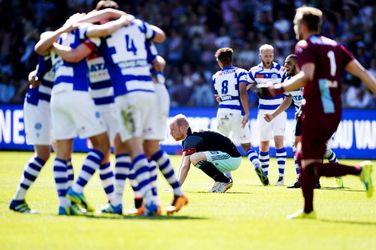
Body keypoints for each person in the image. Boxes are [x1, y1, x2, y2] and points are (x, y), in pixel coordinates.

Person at [256, 6, 375, 219]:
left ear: (302, 26)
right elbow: (363, 72)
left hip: (317, 109)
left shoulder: (305, 45)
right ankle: (309, 209)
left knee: (306, 164)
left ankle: (358, 171)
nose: (294, 27)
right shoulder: (335, 46)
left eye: (294, 24)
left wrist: (277, 88)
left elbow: (307, 75)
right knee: (306, 161)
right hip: (333, 109)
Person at [33, 13, 123, 215]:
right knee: (101, 145)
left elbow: (39, 48)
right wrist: (124, 20)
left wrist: (60, 35)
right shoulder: (84, 32)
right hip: (77, 93)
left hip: (57, 96)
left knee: (62, 155)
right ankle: (77, 189)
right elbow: (101, 32)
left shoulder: (56, 37)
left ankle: (64, 205)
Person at [263, 54, 343, 189]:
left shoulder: (309, 77)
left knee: (323, 150)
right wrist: (273, 115)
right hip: (302, 115)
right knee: (297, 145)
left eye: (288, 63)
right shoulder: (287, 79)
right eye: (285, 62)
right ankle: (302, 178)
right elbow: (287, 100)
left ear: (297, 65)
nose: (285, 65)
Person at [9, 56, 63, 213]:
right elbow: (41, 43)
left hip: (54, 105)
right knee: (42, 155)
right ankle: (18, 199)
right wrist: (67, 29)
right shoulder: (56, 43)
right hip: (39, 103)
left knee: (63, 154)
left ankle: (66, 203)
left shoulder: (71, 49)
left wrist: (35, 74)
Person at [212, 47, 268, 186]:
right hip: (237, 111)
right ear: (231, 59)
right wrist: (247, 112)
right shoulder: (241, 72)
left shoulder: (216, 76)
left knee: (221, 146)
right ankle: (256, 165)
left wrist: (221, 98)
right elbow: (242, 91)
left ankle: (227, 176)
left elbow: (222, 95)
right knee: (247, 145)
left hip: (223, 111)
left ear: (219, 61)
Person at [170, 114, 242, 193]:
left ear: (182, 128)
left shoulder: (191, 138)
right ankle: (220, 181)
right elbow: (183, 164)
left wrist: (176, 188)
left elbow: (185, 166)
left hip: (232, 158)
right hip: (227, 157)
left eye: (173, 129)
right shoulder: (189, 137)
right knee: (195, 157)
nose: (170, 133)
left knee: (194, 158)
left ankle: (224, 181)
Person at [249, 44, 287, 185]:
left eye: (270, 55)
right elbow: (245, 85)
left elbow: (288, 86)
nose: (268, 58)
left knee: (278, 142)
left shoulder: (280, 70)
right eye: (266, 56)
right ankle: (264, 177)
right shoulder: (254, 71)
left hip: (279, 111)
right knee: (264, 144)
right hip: (263, 112)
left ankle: (281, 177)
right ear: (260, 56)